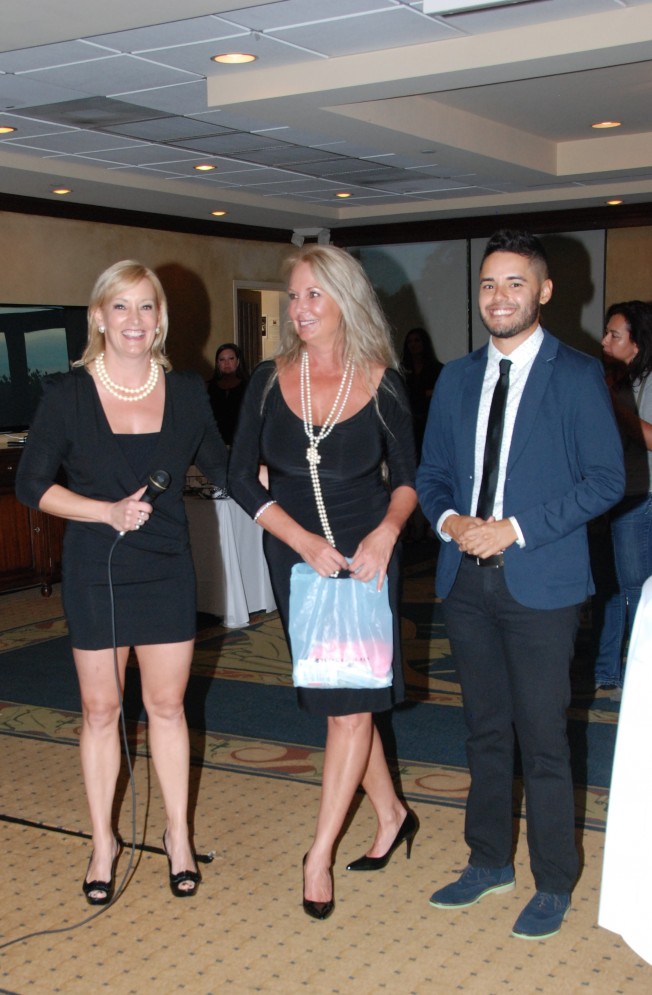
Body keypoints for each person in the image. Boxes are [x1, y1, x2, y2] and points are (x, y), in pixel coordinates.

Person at [416, 230, 624, 940]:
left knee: (543, 738)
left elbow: (607, 479)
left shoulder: (577, 375)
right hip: (465, 581)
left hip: (541, 581)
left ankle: (554, 880)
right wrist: (450, 521)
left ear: (544, 291)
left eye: (514, 283)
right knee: (483, 730)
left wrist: (515, 529)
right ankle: (488, 860)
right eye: (488, 285)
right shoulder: (455, 378)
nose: (498, 298)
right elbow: (432, 474)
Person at [16, 260, 228, 904]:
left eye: (146, 306)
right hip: (95, 569)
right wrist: (104, 512)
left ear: (160, 318)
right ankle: (103, 842)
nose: (134, 319)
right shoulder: (68, 394)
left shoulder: (186, 391)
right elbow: (32, 485)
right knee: (101, 711)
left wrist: (303, 482)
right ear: (98, 317)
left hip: (165, 568)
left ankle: (177, 835)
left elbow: (226, 470)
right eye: (121, 306)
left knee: (167, 707)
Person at [229, 243, 418, 921]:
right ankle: (391, 812)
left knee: (349, 708)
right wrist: (302, 541)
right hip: (296, 560)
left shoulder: (383, 382)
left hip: (367, 559)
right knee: (344, 698)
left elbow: (409, 480)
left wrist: (387, 533)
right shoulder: (266, 379)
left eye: (314, 294)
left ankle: (318, 856)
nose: (299, 309)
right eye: (294, 296)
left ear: (346, 299)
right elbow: (237, 477)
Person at [593, 300, 652, 691]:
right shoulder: (619, 379)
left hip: (641, 495)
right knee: (610, 587)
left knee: (634, 590)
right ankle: (607, 671)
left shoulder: (647, 381)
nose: (604, 341)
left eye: (614, 335)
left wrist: (614, 409)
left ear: (637, 342)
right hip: (616, 494)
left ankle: (640, 678)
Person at [401, 327, 442, 458]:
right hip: (408, 423)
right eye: (410, 342)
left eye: (417, 341)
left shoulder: (438, 369)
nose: (413, 345)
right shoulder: (402, 371)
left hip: (430, 423)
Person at [206, 342, 248, 445]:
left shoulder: (248, 387)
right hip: (215, 443)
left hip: (241, 442)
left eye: (231, 359)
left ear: (238, 361)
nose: (227, 363)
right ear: (217, 363)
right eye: (222, 360)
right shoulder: (208, 388)